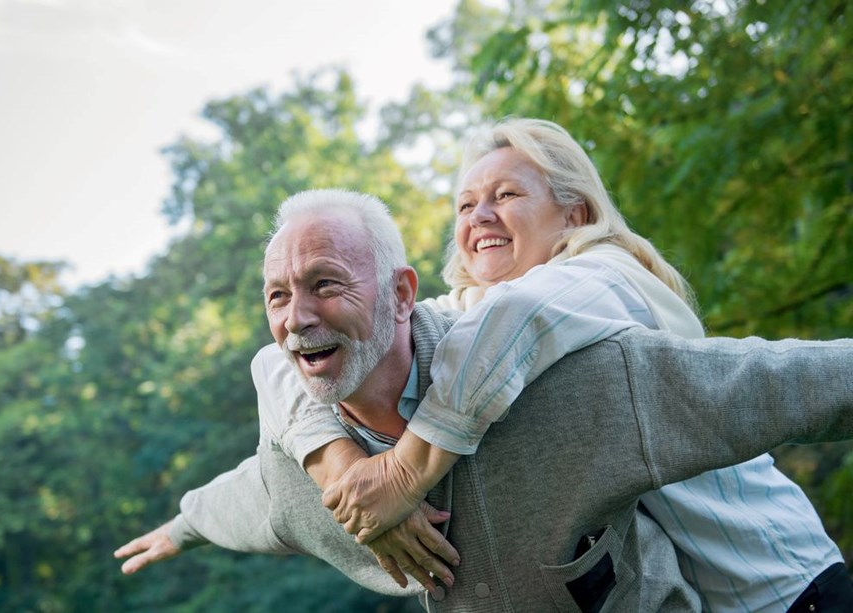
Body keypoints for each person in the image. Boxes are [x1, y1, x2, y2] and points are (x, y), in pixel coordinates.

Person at [116, 189, 853, 611]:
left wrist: (406, 474)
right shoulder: (302, 473)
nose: (296, 318)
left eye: (325, 283)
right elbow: (250, 497)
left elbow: (770, 382)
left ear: (403, 294)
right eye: (277, 295)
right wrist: (184, 522)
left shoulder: (562, 384)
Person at [297, 119, 849, 611]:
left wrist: (403, 475)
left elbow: (518, 316)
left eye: (505, 194)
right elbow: (285, 360)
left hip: (789, 587)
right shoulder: (478, 311)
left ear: (574, 214)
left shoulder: (609, 275)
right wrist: (342, 468)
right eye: (466, 205)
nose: (480, 216)